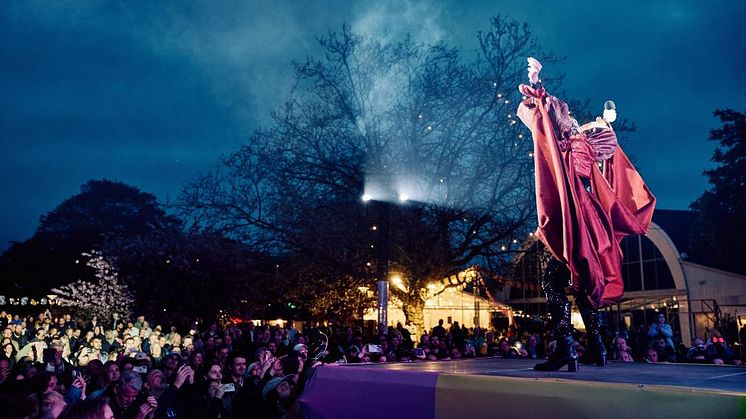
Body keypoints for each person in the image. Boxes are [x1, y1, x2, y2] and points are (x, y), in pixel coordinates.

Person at [516, 57, 655, 372]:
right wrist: (600, 123)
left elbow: (548, 115)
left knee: (553, 281)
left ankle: (567, 348)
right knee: (580, 284)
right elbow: (601, 138)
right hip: (590, 219)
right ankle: (597, 347)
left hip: (577, 218)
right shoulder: (587, 145)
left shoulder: (567, 145)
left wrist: (537, 84)